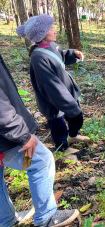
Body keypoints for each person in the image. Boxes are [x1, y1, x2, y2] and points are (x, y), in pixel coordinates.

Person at [0, 52, 79, 227]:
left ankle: (5, 219)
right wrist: (22, 134)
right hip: (7, 136)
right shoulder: (38, 56)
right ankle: (46, 217)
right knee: (40, 162)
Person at [16, 14, 89, 152]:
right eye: (51, 29)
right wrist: (66, 102)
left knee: (75, 116)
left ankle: (73, 135)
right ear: (42, 34)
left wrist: (73, 54)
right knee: (58, 123)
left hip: (65, 92)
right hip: (53, 98)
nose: (55, 31)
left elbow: (61, 55)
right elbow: (50, 85)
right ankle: (62, 148)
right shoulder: (38, 58)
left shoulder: (52, 46)